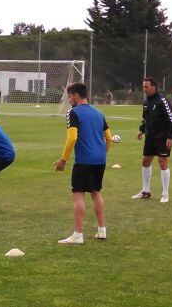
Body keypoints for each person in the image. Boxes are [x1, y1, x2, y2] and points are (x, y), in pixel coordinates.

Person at [53, 83, 112, 244]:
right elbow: (109, 138)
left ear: (76, 95)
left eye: (70, 96)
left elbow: (72, 138)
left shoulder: (73, 113)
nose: (69, 99)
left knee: (78, 194)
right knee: (96, 192)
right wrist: (102, 153)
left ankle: (78, 235)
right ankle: (102, 230)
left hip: (84, 160)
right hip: (100, 160)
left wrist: (63, 160)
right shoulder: (99, 113)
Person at [132, 76, 172, 203]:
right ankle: (146, 191)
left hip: (162, 138)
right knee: (145, 162)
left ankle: (165, 194)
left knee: (162, 162)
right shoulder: (146, 102)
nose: (144, 89)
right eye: (143, 87)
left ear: (154, 87)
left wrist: (171, 137)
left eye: (146, 87)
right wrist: (141, 130)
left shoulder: (163, 101)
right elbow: (145, 118)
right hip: (150, 137)